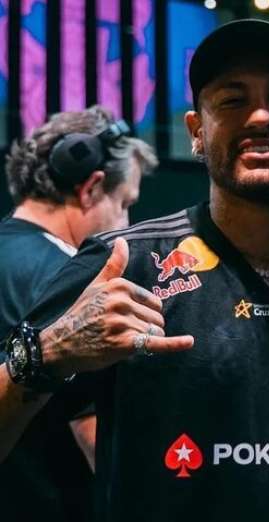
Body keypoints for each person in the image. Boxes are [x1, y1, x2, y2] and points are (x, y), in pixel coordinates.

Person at [0, 19, 269, 522]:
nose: (261, 116)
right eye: (232, 101)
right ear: (197, 131)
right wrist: (47, 352)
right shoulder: (121, 266)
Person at [0, 106, 156, 521]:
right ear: (91, 188)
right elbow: (97, 437)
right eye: (125, 203)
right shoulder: (72, 281)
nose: (127, 221)